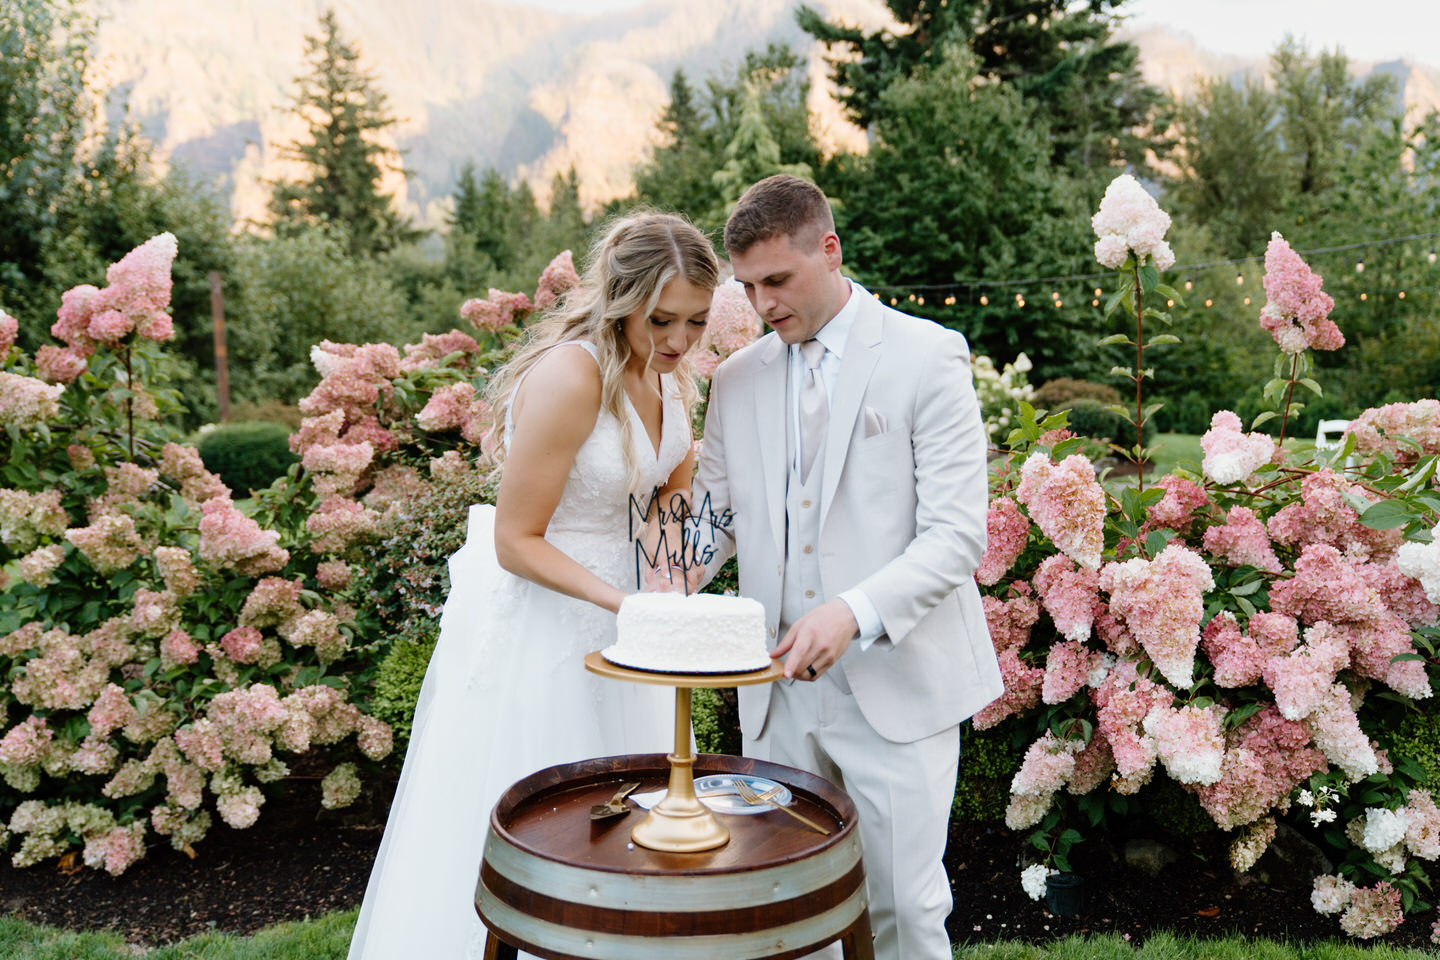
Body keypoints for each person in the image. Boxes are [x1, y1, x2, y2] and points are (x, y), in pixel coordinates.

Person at [348, 212, 719, 960]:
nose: (679, 340)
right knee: (556, 833)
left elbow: (666, 497)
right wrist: (627, 601)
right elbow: (515, 541)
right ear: (622, 299)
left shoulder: (665, 377)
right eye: (662, 320)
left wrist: (672, 574)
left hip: (630, 627)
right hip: (553, 625)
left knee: (630, 830)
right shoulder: (573, 374)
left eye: (696, 322)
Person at [692, 175, 1003, 960]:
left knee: (900, 909)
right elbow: (712, 523)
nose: (762, 304)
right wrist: (645, 590)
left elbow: (956, 535)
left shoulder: (927, 356)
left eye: (777, 281)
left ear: (829, 250)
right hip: (776, 699)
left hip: (895, 684)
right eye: (749, 287)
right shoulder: (736, 381)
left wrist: (852, 611)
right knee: (788, 916)